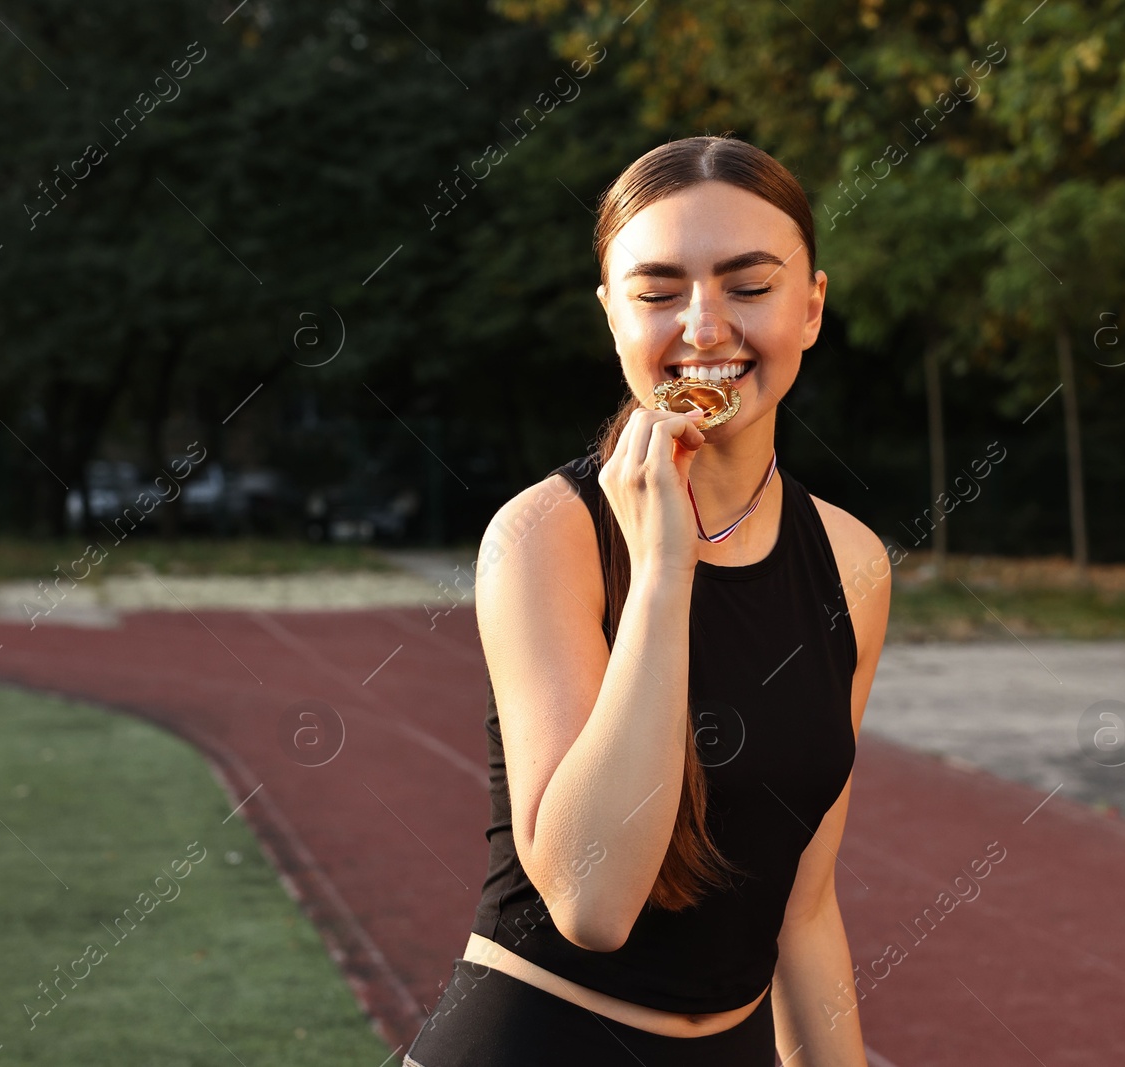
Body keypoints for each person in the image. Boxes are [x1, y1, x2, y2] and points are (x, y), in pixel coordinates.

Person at [403, 133, 892, 1067]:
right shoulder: (544, 534)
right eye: (659, 292)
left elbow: (805, 901)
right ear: (612, 316)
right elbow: (592, 903)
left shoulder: (851, 561)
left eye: (749, 286)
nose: (704, 329)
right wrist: (665, 566)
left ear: (813, 307)